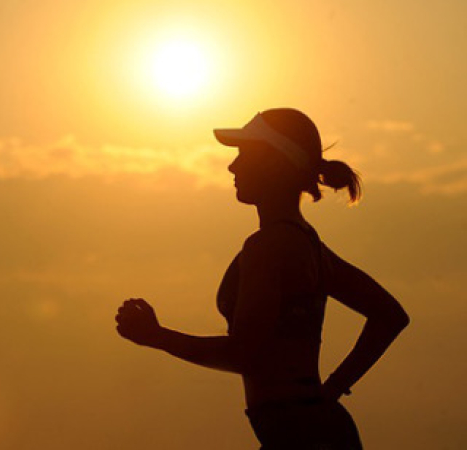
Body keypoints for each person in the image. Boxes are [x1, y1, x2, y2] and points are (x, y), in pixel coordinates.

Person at [114, 108, 410, 449]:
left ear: (275, 163)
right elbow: (389, 315)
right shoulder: (308, 244)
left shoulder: (269, 246)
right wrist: (329, 391)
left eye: (244, 155)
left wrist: (157, 337)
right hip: (310, 429)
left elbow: (245, 354)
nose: (232, 166)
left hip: (300, 435)